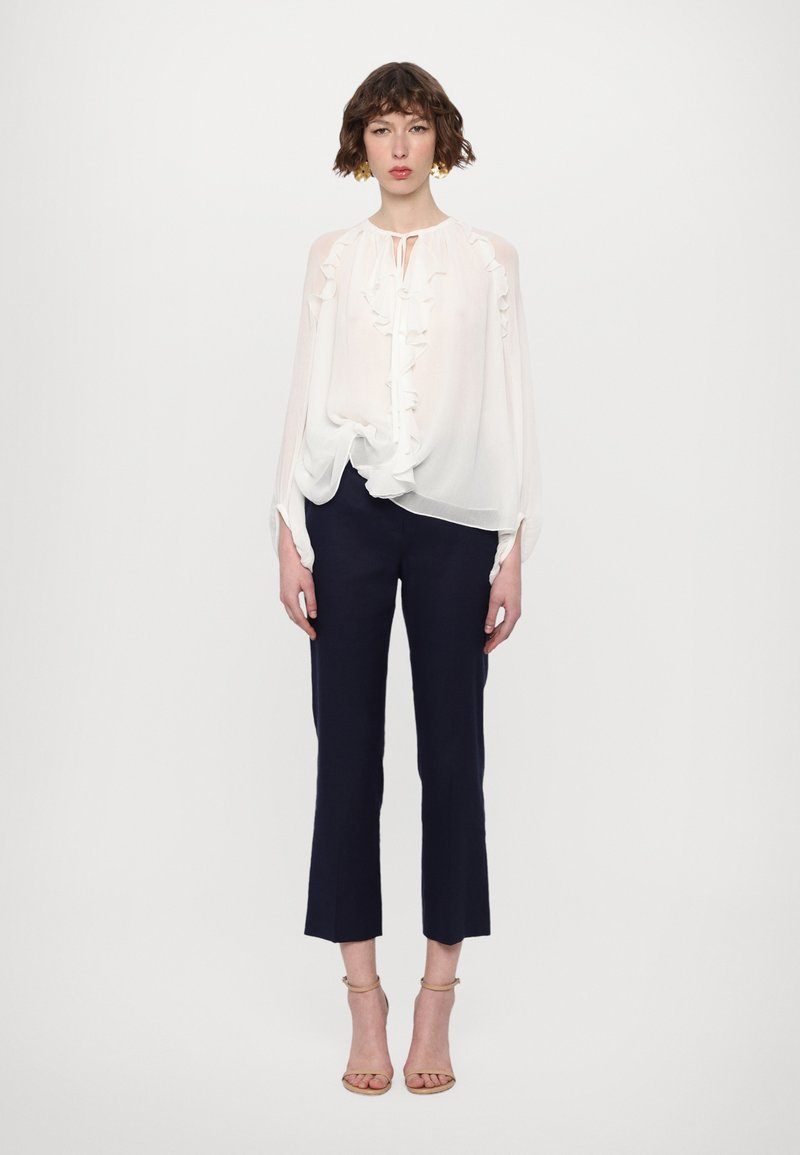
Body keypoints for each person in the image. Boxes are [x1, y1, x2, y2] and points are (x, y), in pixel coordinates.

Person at [269, 61, 543, 1095]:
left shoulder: (488, 259)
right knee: (347, 753)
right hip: (342, 511)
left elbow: (512, 398)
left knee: (452, 755)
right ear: (359, 143)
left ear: (441, 141)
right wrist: (285, 530)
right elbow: (303, 387)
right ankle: (362, 998)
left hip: (457, 520)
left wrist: (515, 543)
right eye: (381, 127)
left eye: (415, 127)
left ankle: (437, 994)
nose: (397, 146)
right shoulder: (331, 257)